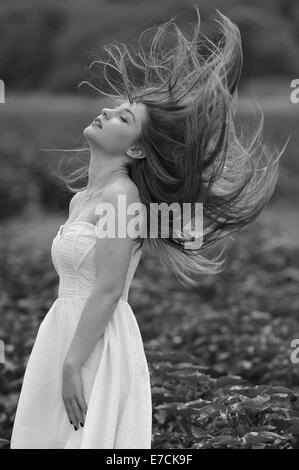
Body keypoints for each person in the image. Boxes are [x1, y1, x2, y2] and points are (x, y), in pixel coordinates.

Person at [10, 7, 285, 449]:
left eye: (123, 117)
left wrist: (72, 364)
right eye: (116, 107)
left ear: (137, 148)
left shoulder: (123, 197)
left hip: (94, 345)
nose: (107, 109)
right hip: (63, 332)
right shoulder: (83, 199)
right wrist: (62, 357)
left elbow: (108, 290)